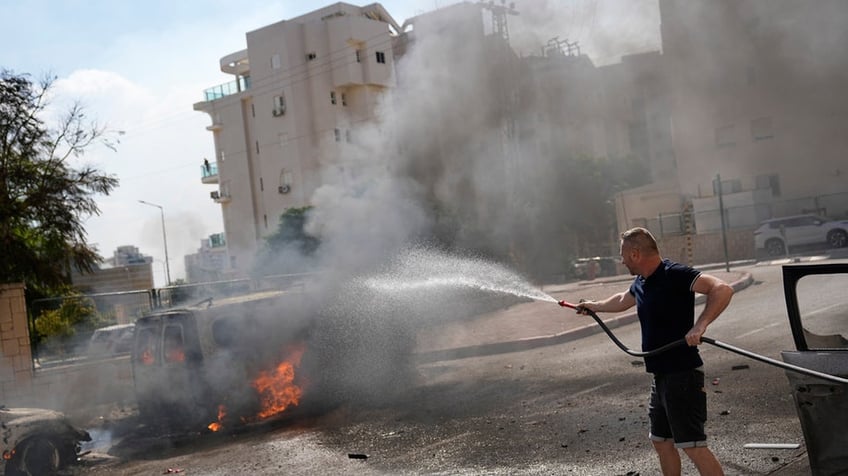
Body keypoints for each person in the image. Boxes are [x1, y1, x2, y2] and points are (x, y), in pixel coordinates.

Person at [576, 227, 733, 476]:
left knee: (693, 447)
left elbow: (722, 288)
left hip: (683, 374)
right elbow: (621, 299)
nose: (621, 260)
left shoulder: (675, 274)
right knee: (661, 441)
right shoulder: (641, 282)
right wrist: (593, 306)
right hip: (661, 375)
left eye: (623, 255)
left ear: (636, 254)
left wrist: (700, 325)